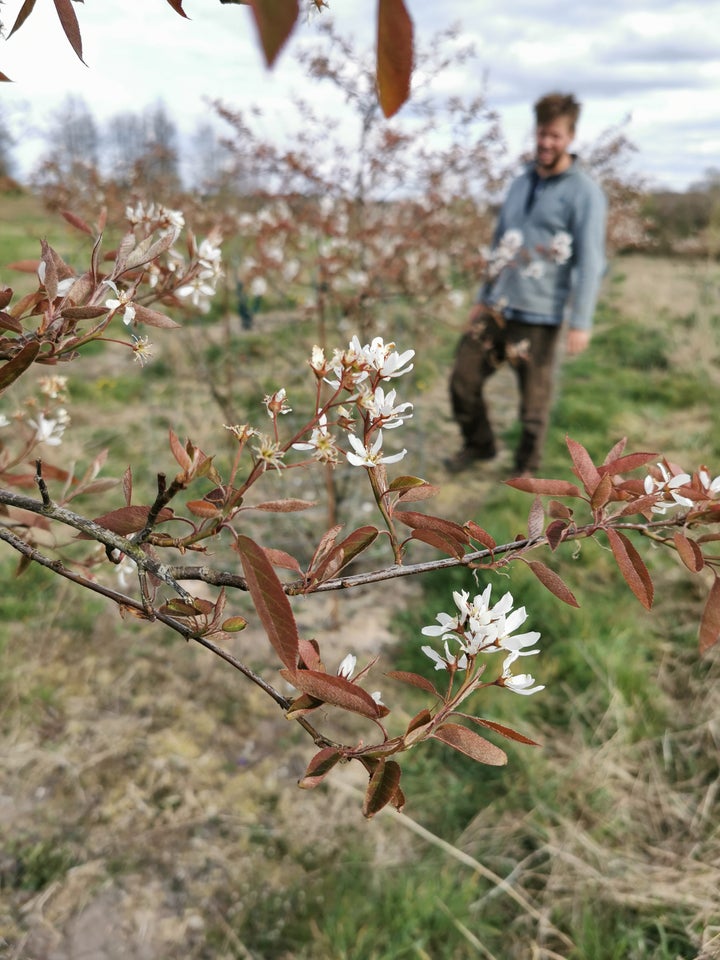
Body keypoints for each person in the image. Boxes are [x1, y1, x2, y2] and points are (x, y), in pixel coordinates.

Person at [446, 92, 607, 476]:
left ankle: (525, 470)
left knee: (533, 403)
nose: (546, 143)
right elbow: (500, 245)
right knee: (462, 380)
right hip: (498, 307)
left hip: (540, 315)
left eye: (555, 135)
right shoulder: (519, 183)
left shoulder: (584, 192)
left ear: (570, 136)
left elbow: (591, 260)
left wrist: (581, 320)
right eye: (541, 133)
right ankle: (480, 445)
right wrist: (482, 297)